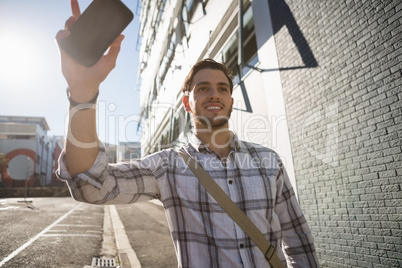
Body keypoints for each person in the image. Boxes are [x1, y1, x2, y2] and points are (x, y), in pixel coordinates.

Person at [56, 1, 319, 267]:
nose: (214, 93)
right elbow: (90, 186)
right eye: (203, 88)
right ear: (187, 103)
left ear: (230, 100)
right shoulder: (167, 166)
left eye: (222, 88)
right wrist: (82, 93)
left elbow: (299, 242)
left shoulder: (269, 161)